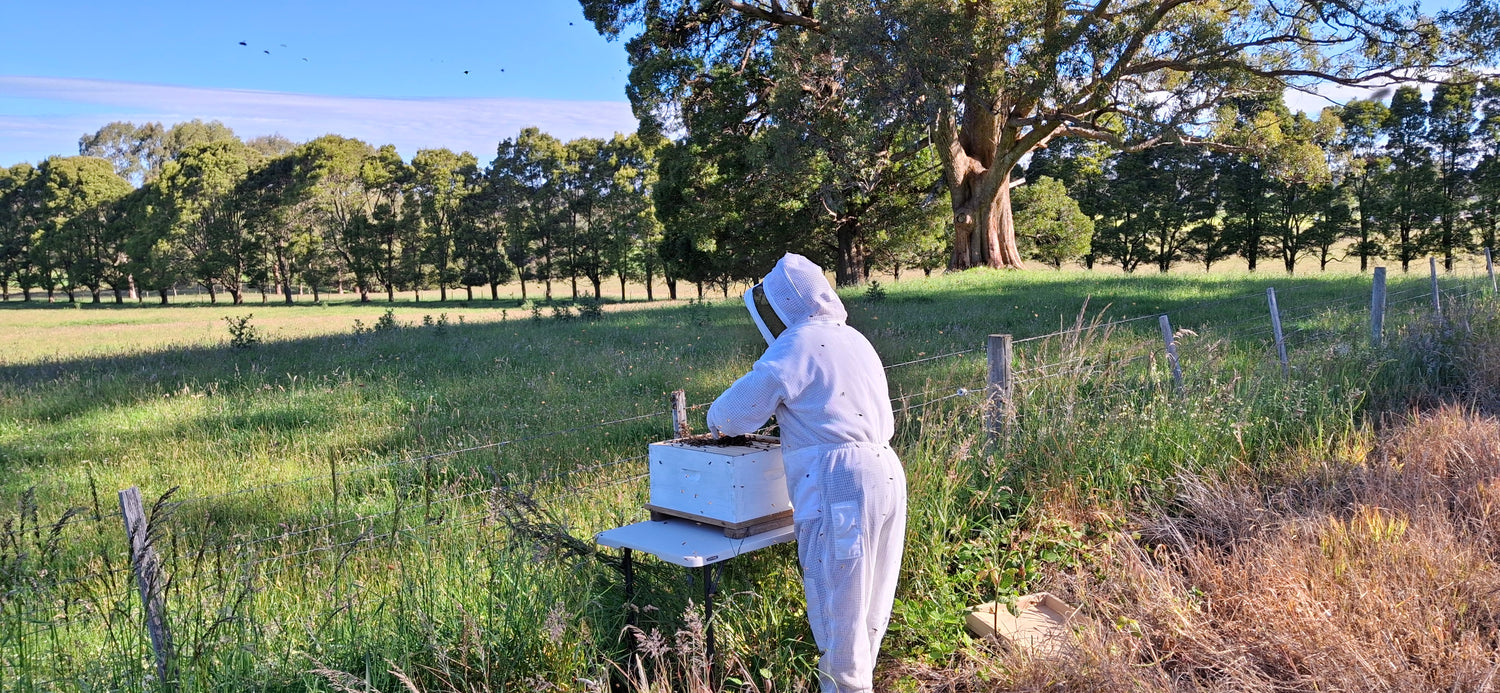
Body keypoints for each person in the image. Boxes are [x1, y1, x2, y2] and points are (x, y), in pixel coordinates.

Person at [706, 253, 906, 693]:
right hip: (886, 472)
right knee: (869, 607)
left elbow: (733, 414)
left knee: (839, 610)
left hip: (842, 484)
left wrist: (713, 420)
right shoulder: (854, 338)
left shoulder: (795, 345)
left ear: (781, 306)